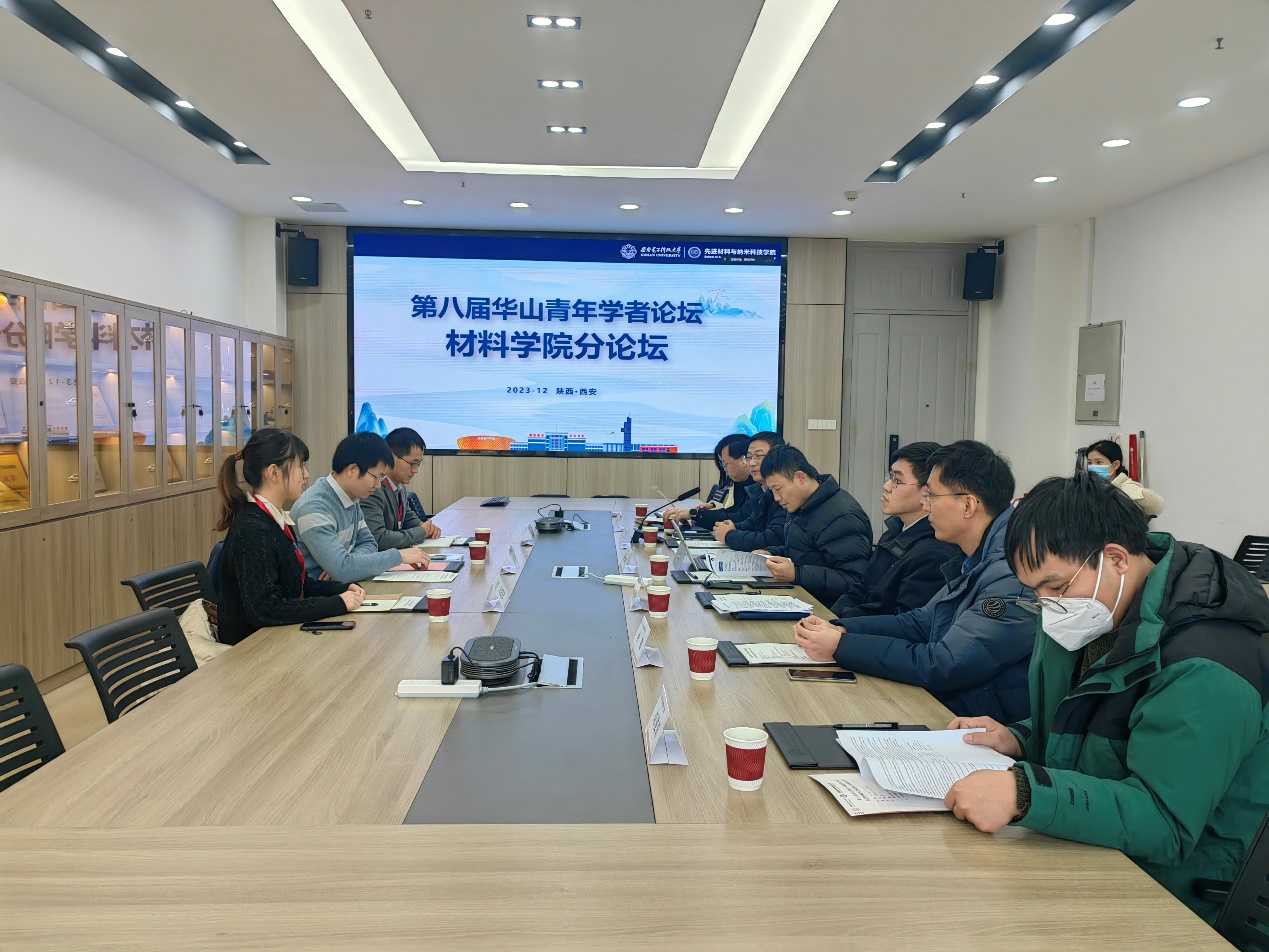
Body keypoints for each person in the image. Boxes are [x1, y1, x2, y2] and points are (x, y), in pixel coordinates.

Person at [943, 473, 1269, 925]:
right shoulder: (1101, 614)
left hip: (1180, 895)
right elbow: (1108, 731)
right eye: (1035, 592)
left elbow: (1166, 823)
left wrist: (1026, 793)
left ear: (1115, 558)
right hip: (1099, 849)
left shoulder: (1207, 664)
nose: (1048, 605)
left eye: (1056, 587)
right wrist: (1019, 737)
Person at [793, 440, 1034, 722]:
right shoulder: (975, 557)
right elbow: (920, 622)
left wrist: (841, 646)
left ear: (968, 505)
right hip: (951, 706)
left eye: (932, 495)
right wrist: (843, 629)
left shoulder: (1012, 574)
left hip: (973, 722)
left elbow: (944, 664)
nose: (925, 504)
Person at [214, 428, 365, 646]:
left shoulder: (275, 520)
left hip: (279, 636)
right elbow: (266, 609)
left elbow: (296, 586)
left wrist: (341, 589)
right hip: (253, 648)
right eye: (300, 466)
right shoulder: (253, 529)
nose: (306, 474)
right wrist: (337, 604)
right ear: (274, 473)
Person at [831, 441, 960, 618]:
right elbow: (861, 589)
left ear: (928, 492)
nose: (886, 486)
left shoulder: (935, 553)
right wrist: (830, 619)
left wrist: (840, 625)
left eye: (897, 480)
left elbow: (902, 622)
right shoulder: (893, 533)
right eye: (890, 477)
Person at [291, 432, 427, 583]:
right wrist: (398, 556)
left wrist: (348, 564)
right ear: (352, 470)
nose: (378, 485)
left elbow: (370, 543)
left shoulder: (351, 497)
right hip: (320, 593)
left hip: (346, 586)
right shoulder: (314, 507)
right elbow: (343, 570)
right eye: (376, 477)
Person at [755, 445, 872, 607]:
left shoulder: (841, 517)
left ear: (800, 478)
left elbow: (853, 580)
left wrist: (797, 573)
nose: (776, 497)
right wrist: (772, 553)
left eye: (778, 489)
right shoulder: (803, 503)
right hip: (802, 598)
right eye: (772, 491)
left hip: (828, 610)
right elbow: (806, 551)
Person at [364, 427, 443, 550]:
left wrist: (426, 527)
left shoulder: (400, 487)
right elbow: (379, 539)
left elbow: (407, 518)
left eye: (418, 464)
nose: (415, 470)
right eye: (412, 464)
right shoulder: (373, 489)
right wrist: (421, 531)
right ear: (390, 457)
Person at [712, 431, 787, 552]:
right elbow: (753, 523)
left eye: (759, 456)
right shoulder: (765, 490)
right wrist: (733, 527)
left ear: (778, 456)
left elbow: (774, 537)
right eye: (749, 457)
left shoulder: (785, 492)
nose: (751, 463)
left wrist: (730, 535)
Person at [663, 433, 754, 528]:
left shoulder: (757, 486)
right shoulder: (741, 483)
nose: (725, 470)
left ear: (743, 460)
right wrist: (698, 514)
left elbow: (741, 518)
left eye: (725, 464)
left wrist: (695, 515)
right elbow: (733, 511)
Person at [1084, 439, 1164, 517]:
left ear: (1115, 465)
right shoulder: (1086, 488)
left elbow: (1157, 506)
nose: (1092, 467)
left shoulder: (1128, 488)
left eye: (1099, 462)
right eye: (1089, 463)